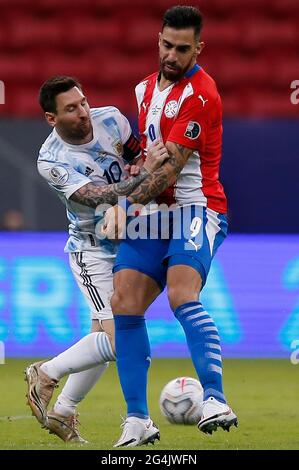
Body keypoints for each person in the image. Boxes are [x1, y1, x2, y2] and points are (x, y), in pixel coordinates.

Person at [103, 6, 238, 447]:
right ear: (157, 40)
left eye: (183, 49)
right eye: (166, 45)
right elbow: (147, 161)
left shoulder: (202, 94)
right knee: (124, 302)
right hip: (153, 216)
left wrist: (119, 201)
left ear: (199, 48)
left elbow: (168, 173)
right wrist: (134, 181)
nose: (172, 55)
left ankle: (215, 399)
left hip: (196, 209)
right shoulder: (143, 89)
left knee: (182, 293)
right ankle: (138, 420)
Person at [25, 76, 168, 442]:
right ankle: (45, 373)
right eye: (71, 109)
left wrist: (142, 168)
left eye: (84, 102)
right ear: (51, 118)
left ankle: (62, 411)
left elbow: (137, 159)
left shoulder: (112, 120)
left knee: (105, 337)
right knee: (123, 339)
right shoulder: (51, 160)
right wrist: (146, 174)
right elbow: (96, 195)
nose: (84, 112)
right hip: (92, 249)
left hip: (131, 237)